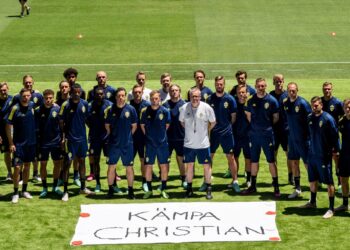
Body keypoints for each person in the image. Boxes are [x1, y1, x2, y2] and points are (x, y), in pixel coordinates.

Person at [299, 96, 340, 219]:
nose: (314, 107)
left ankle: (331, 208)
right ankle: (312, 202)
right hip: (312, 155)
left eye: (316, 105)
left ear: (321, 105)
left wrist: (336, 151)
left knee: (328, 181)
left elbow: (335, 136)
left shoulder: (328, 119)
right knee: (312, 179)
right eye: (313, 105)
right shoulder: (310, 117)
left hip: (324, 155)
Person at [242, 78, 280, 197]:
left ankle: (276, 187)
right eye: (259, 86)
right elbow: (248, 116)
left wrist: (265, 127)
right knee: (254, 161)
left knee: (271, 161)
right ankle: (253, 186)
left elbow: (276, 117)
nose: (261, 88)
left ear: (266, 86)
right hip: (254, 135)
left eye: (263, 86)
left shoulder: (272, 100)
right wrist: (256, 127)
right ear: (255, 86)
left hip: (267, 135)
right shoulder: (251, 100)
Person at [59, 84, 94, 202]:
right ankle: (65, 191)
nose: (77, 94)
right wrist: (63, 138)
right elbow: (61, 122)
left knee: (82, 162)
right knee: (67, 164)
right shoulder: (65, 105)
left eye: (79, 92)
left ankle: (83, 187)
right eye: (75, 92)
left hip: (82, 139)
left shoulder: (84, 104)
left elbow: (87, 120)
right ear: (71, 91)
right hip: (70, 140)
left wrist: (92, 133)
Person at [179, 88, 216, 199]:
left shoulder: (207, 108)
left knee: (206, 166)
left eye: (197, 96)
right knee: (189, 166)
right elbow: (182, 122)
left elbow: (213, 122)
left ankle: (209, 189)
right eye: (192, 96)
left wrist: (204, 131)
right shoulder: (184, 108)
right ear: (190, 97)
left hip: (203, 144)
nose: (195, 98)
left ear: (200, 97)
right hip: (189, 144)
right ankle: (189, 189)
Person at [207, 76, 240, 193]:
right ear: (215, 84)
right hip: (214, 134)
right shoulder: (210, 99)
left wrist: (227, 127)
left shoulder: (230, 99)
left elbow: (233, 118)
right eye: (217, 84)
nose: (219, 86)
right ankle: (207, 182)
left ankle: (235, 181)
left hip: (226, 133)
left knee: (230, 157)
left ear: (224, 85)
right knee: (209, 157)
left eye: (221, 84)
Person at [105, 87, 137, 199]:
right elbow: (107, 126)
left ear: (126, 97)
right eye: (118, 96)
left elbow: (134, 126)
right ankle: (110, 189)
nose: (120, 98)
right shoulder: (110, 109)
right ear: (115, 97)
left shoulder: (131, 109)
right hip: (114, 144)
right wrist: (113, 137)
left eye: (123, 95)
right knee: (111, 167)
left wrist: (127, 137)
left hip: (127, 145)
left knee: (129, 167)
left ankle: (130, 191)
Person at [6, 88, 36, 203]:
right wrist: (11, 143)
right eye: (24, 96)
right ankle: (15, 193)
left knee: (27, 167)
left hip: (31, 143)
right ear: (20, 96)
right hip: (18, 144)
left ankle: (24, 190)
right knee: (18, 168)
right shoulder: (15, 108)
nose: (26, 97)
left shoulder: (33, 106)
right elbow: (8, 126)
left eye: (28, 95)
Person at [282, 82, 311, 198]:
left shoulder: (303, 103)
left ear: (297, 90)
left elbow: (310, 120)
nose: (292, 92)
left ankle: (313, 187)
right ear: (287, 91)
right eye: (289, 90)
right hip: (292, 139)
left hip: (303, 140)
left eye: (293, 90)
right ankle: (298, 189)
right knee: (294, 162)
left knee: (307, 163)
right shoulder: (286, 103)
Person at [140, 90, 171, 199]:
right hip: (150, 145)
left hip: (162, 144)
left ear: (160, 99)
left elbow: (167, 125)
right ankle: (149, 190)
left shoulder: (165, 111)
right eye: (152, 99)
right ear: (150, 99)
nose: (154, 101)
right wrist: (150, 137)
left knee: (163, 166)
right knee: (148, 166)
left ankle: (163, 189)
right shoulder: (145, 111)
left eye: (156, 98)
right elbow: (142, 126)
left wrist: (160, 137)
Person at [12, 75, 43, 182]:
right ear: (23, 83)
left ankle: (35, 173)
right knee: (20, 154)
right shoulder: (17, 97)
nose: (28, 84)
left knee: (34, 153)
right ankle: (20, 175)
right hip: (21, 130)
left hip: (35, 129)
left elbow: (43, 109)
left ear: (33, 82)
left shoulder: (38, 96)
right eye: (26, 82)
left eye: (30, 82)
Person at [86, 71, 115, 181]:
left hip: (107, 131)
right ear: (96, 79)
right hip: (95, 132)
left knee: (110, 154)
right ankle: (92, 173)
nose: (101, 79)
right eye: (99, 77)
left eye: (103, 77)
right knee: (93, 155)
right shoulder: (91, 92)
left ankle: (114, 174)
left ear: (106, 78)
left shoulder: (112, 90)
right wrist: (91, 126)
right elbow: (87, 114)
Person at [35, 89, 64, 198]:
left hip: (56, 142)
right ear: (43, 98)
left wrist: (63, 138)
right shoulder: (38, 111)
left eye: (50, 98)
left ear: (53, 98)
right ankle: (44, 188)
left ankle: (55, 187)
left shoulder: (57, 109)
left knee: (57, 164)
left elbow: (61, 125)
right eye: (46, 98)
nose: (48, 100)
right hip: (43, 144)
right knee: (43, 164)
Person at [270, 74, 293, 185]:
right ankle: (275, 177)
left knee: (289, 154)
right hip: (273, 131)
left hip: (286, 130)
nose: (279, 83)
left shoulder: (288, 95)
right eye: (276, 81)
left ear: (283, 82)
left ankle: (291, 176)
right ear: (273, 82)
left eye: (280, 81)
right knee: (273, 154)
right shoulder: (269, 95)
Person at [321, 82, 344, 193]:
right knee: (322, 159)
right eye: (325, 89)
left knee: (337, 159)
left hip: (334, 138)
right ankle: (323, 181)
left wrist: (338, 125)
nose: (327, 91)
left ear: (332, 89)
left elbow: (344, 116)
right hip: (321, 137)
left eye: (329, 89)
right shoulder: (319, 102)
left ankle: (339, 183)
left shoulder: (337, 103)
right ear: (322, 90)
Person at [163, 84, 186, 188]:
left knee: (181, 158)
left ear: (179, 91)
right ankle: (164, 181)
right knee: (165, 160)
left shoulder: (185, 105)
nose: (174, 92)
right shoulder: (165, 105)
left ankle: (184, 178)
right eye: (172, 90)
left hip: (181, 137)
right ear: (169, 92)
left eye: (176, 90)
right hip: (167, 138)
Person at [129, 84, 151, 191]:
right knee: (129, 162)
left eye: (139, 92)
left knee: (143, 161)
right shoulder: (128, 105)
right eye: (135, 92)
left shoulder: (147, 105)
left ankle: (144, 182)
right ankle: (130, 185)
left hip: (143, 138)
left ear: (142, 93)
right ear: (132, 93)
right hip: (131, 139)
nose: (137, 94)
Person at [232, 85, 251, 187]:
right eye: (239, 92)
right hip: (235, 135)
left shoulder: (250, 104)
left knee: (248, 158)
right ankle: (234, 180)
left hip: (248, 136)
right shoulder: (233, 103)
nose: (241, 94)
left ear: (247, 93)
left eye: (243, 92)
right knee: (234, 157)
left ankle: (248, 179)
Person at [335, 99, 350, 212]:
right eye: (346, 107)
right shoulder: (341, 121)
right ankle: (345, 204)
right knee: (343, 179)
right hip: (344, 156)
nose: (348, 109)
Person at [0, 82, 13, 181]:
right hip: (1, 131)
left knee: (14, 150)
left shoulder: (13, 99)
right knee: (7, 152)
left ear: (7, 89)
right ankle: (9, 172)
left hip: (13, 129)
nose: (3, 92)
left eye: (4, 90)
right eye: (1, 90)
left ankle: (18, 174)